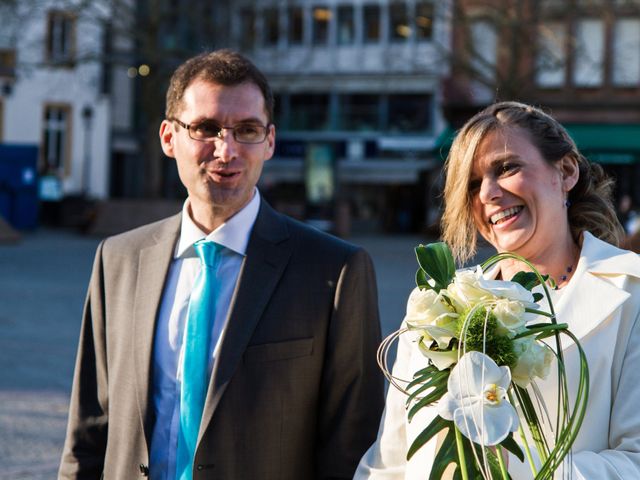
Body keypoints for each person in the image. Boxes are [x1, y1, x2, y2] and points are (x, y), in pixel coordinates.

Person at [59, 49, 384, 479]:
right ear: (168, 137)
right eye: (206, 128)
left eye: (247, 130)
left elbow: (351, 449)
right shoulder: (118, 260)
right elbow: (89, 432)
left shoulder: (334, 272)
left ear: (269, 141)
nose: (226, 150)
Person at [355, 101, 640, 478]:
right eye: (472, 184)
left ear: (566, 171)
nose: (488, 193)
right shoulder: (436, 306)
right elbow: (389, 462)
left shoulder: (629, 291)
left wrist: (502, 467)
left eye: (506, 168)